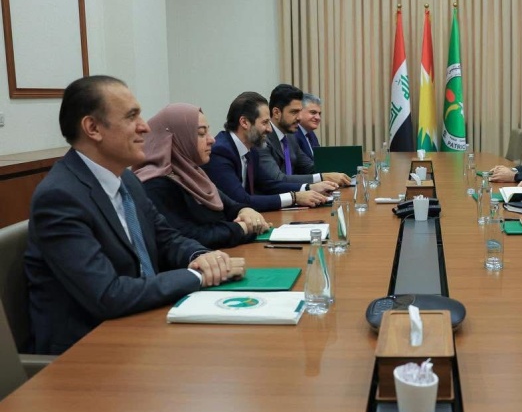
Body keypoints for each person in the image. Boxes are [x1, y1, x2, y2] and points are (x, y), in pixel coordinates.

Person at [26, 76, 244, 355]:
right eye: (132, 117)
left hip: (142, 323)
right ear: (93, 128)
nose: (145, 127)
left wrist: (201, 256)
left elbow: (167, 239)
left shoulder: (127, 180)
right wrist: (197, 276)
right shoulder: (60, 197)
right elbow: (107, 294)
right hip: (87, 350)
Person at [134, 103, 271, 249]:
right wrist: (243, 228)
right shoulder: (155, 183)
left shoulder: (192, 172)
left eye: (208, 132)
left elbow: (230, 205)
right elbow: (189, 236)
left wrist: (245, 211)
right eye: (201, 133)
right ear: (177, 139)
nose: (211, 139)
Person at [203, 92, 328, 212]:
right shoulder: (221, 152)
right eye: (264, 123)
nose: (269, 129)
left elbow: (269, 184)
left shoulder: (251, 150)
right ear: (244, 122)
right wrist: (294, 198)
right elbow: (241, 200)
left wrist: (308, 187)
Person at [257, 84, 350, 187]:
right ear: (276, 113)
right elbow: (278, 179)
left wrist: (348, 170)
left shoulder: (290, 137)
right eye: (294, 112)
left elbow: (309, 167)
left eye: (300, 112)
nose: (299, 118)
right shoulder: (262, 139)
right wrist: (322, 177)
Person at [295, 92, 322, 158]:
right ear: (299, 112)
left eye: (319, 114)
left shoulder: (311, 134)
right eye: (313, 112)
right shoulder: (293, 135)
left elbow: (319, 159)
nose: (318, 118)